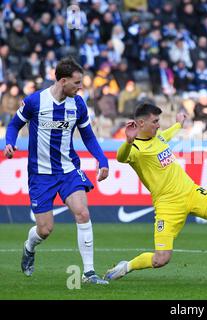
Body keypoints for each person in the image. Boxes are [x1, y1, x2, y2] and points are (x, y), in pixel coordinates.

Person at [104, 103, 207, 282]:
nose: (158, 125)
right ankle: (127, 266)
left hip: (191, 191)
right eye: (155, 121)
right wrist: (128, 141)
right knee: (161, 259)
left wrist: (179, 124)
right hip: (168, 205)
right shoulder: (134, 149)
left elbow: (168, 134)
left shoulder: (158, 137)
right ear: (141, 123)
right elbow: (120, 157)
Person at [3, 58, 109, 284]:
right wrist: (9, 142)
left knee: (82, 212)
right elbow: (13, 125)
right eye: (77, 83)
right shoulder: (35, 101)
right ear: (63, 81)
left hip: (68, 169)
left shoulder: (78, 104)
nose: (80, 87)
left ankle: (89, 272)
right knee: (45, 229)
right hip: (40, 174)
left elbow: (88, 136)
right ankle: (29, 246)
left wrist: (102, 160)